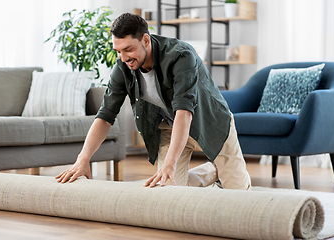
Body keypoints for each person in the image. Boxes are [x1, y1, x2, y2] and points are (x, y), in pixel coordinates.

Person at [56, 13, 251, 190]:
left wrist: (169, 164)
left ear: (146, 40)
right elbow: (105, 116)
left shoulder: (181, 56)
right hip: (171, 128)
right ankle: (211, 172)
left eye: (128, 49)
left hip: (211, 125)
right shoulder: (123, 66)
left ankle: (222, 172)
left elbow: (184, 111)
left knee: (239, 196)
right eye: (118, 51)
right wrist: (82, 160)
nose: (123, 58)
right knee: (169, 190)